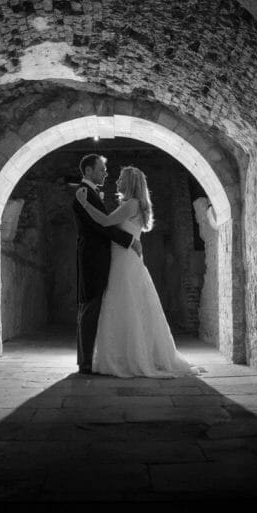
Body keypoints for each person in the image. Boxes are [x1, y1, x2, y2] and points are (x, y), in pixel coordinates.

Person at [76, 165, 203, 378]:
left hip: (124, 260)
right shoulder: (133, 204)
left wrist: (85, 204)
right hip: (126, 257)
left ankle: (126, 357)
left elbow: (106, 222)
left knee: (122, 303)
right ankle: (127, 354)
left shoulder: (131, 204)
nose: (117, 182)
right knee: (129, 304)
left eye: (121, 179)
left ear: (131, 183)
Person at [72, 154, 143, 375]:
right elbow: (102, 226)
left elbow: (104, 223)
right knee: (90, 307)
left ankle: (88, 360)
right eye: (101, 169)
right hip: (94, 258)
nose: (106, 173)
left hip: (101, 257)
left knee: (92, 308)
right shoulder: (84, 195)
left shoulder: (90, 194)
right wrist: (130, 241)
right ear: (89, 171)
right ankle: (85, 363)